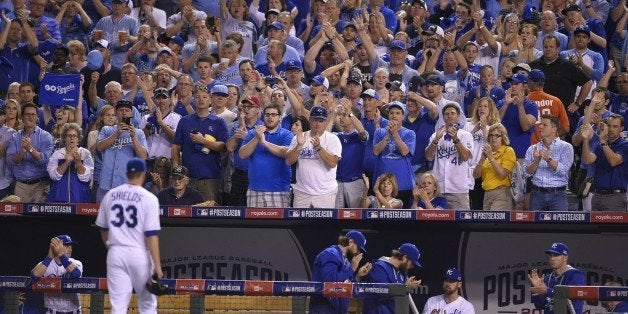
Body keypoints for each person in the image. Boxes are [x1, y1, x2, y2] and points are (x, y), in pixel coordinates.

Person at [96, 158, 163, 314]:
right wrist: (157, 266)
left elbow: (103, 228)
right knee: (147, 305)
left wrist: (112, 247)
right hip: (139, 253)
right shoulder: (149, 198)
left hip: (116, 253)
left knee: (118, 307)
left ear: (127, 174)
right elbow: (151, 236)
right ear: (144, 174)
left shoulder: (111, 195)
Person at [171, 84, 228, 203]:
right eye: (197, 97)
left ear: (210, 101)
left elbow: (223, 147)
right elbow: (176, 145)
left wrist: (203, 141)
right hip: (187, 177)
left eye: (204, 97)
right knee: (186, 214)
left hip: (210, 178)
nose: (201, 100)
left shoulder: (219, 122)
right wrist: (176, 167)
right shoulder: (185, 121)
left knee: (208, 215)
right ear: (193, 100)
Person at [239, 104, 294, 208]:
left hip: (279, 190)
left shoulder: (287, 134)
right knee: (257, 223)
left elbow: (286, 153)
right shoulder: (253, 133)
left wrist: (264, 143)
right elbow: (242, 154)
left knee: (279, 223)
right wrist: (256, 138)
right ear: (263, 117)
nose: (270, 117)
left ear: (280, 118)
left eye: (274, 115)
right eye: (267, 114)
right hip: (254, 189)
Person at [286, 106, 342, 208]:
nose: (317, 123)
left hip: (325, 193)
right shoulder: (299, 137)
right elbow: (288, 161)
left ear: (326, 122)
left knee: (323, 224)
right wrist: (299, 145)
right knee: (299, 223)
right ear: (310, 120)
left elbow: (332, 163)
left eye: (321, 121)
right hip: (302, 192)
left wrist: (319, 148)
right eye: (315, 120)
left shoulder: (332, 139)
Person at [96, 100, 148, 202]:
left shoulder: (138, 133)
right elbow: (99, 147)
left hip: (127, 184)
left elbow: (143, 156)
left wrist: (133, 137)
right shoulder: (107, 130)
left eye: (127, 110)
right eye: (121, 110)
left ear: (131, 114)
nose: (124, 112)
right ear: (116, 112)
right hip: (106, 183)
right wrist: (117, 133)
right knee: (103, 215)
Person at [309, 230, 371, 314]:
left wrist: (358, 276)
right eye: (358, 249)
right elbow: (329, 282)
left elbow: (345, 285)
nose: (358, 253)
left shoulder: (346, 261)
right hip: (324, 309)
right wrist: (352, 269)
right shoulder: (330, 254)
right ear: (350, 242)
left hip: (338, 310)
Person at [425, 103, 474, 210]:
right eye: (446, 114)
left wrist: (456, 139)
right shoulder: (436, 135)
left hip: (458, 189)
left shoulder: (466, 135)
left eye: (452, 113)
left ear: (458, 117)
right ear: (443, 117)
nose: (449, 116)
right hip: (439, 190)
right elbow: (428, 157)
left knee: (461, 224)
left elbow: (465, 157)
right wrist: (436, 140)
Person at [523, 115, 574, 211]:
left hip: (558, 195)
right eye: (540, 124)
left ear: (554, 129)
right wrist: (536, 162)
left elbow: (563, 171)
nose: (540, 126)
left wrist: (548, 159)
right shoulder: (533, 148)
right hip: (537, 194)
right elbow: (525, 173)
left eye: (544, 125)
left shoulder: (566, 147)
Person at [6, 102, 54, 203]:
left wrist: (30, 149)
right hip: (21, 186)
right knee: (19, 218)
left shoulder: (46, 136)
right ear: (22, 118)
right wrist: (22, 151)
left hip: (41, 185)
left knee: (40, 218)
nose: (31, 117)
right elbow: (11, 161)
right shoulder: (15, 137)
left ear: (37, 117)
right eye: (27, 114)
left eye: (33, 115)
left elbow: (44, 161)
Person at [580, 114, 628, 211]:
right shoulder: (599, 145)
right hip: (597, 196)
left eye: (615, 126)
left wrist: (602, 141)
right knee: (595, 226)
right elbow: (588, 160)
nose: (611, 129)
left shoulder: (625, 145)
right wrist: (585, 140)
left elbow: (613, 161)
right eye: (609, 126)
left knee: (612, 227)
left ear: (621, 128)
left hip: (615, 197)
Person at [373, 101, 416, 206]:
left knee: (404, 219)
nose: (394, 116)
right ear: (388, 115)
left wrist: (395, 134)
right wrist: (387, 136)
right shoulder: (379, 132)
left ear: (403, 116)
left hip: (403, 183)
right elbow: (376, 151)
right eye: (391, 113)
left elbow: (405, 151)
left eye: (397, 113)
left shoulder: (409, 133)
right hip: (382, 184)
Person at [362, 243, 423, 314]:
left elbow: (401, 297)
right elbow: (381, 293)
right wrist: (405, 288)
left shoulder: (402, 272)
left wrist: (407, 288)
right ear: (404, 258)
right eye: (412, 263)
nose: (412, 266)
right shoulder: (379, 267)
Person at [30, 235, 83, 314]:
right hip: (52, 311)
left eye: (70, 246)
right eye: (66, 246)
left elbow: (76, 274)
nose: (70, 249)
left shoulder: (76, 263)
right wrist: (49, 257)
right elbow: (34, 276)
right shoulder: (45, 265)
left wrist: (61, 254)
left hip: (74, 311)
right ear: (55, 247)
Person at [529, 242, 585, 314]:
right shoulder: (547, 278)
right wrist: (538, 290)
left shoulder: (575, 275)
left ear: (565, 258)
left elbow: (573, 295)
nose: (552, 258)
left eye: (556, 255)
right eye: (551, 255)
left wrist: (547, 291)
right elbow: (540, 306)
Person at [473, 123, 517, 210]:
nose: (493, 138)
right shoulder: (487, 152)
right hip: (487, 193)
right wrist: (481, 160)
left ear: (503, 137)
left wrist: (490, 157)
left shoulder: (508, 151)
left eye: (497, 135)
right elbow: (475, 175)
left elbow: (502, 174)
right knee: (486, 223)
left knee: (496, 222)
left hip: (502, 193)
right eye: (491, 135)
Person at [47, 123, 94, 203]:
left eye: (74, 136)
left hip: (80, 199)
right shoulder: (57, 154)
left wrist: (78, 163)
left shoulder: (85, 153)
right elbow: (53, 176)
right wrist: (66, 162)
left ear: (78, 139)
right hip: (58, 200)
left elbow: (87, 177)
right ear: (64, 139)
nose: (72, 138)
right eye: (69, 136)